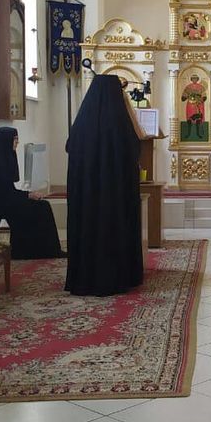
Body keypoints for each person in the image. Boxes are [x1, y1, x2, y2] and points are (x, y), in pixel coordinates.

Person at [65, 75, 146, 297]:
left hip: (88, 196)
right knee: (113, 230)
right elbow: (135, 148)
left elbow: (71, 148)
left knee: (88, 230)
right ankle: (117, 277)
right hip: (115, 196)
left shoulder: (82, 124)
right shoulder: (121, 125)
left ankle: (84, 278)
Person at [0, 127, 63, 259]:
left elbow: (9, 191)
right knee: (40, 207)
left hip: (7, 200)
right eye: (15, 139)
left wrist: (28, 194)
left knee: (42, 206)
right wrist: (27, 195)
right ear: (5, 141)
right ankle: (28, 251)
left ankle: (47, 250)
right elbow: (2, 195)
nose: (17, 143)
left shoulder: (4, 158)